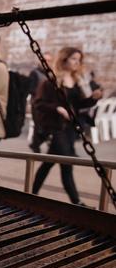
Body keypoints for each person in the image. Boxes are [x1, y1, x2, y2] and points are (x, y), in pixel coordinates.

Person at [32, 47, 102, 206]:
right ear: (64, 60)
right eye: (73, 59)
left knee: (48, 163)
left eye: (79, 59)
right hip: (56, 128)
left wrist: (93, 99)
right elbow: (38, 103)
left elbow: (78, 105)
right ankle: (77, 202)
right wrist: (58, 108)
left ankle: (32, 194)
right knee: (66, 164)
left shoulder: (76, 81)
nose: (77, 62)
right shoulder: (51, 80)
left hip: (71, 129)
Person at [28, 51, 53, 153]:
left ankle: (35, 144)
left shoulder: (50, 73)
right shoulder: (34, 73)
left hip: (48, 104)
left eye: (49, 60)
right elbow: (31, 89)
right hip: (37, 104)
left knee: (46, 126)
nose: (46, 62)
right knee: (38, 126)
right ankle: (35, 146)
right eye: (45, 59)